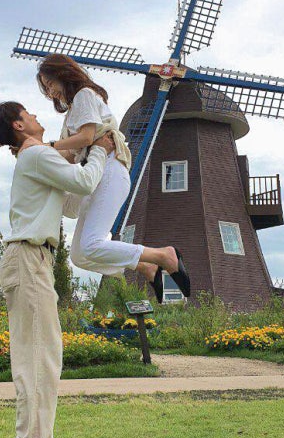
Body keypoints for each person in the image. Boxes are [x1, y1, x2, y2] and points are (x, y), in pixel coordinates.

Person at [0, 100, 115, 438]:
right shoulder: (36, 154)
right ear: (19, 125)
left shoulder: (36, 158)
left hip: (33, 259)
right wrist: (101, 153)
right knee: (40, 354)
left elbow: (72, 204)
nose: (39, 117)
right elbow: (86, 182)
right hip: (28, 258)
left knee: (39, 353)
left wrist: (79, 159)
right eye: (30, 113)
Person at [36, 53, 190, 302]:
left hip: (108, 170)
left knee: (91, 244)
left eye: (50, 83)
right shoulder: (72, 112)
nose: (49, 91)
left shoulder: (84, 94)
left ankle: (164, 255)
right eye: (45, 88)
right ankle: (145, 266)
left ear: (62, 75)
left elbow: (86, 137)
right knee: (79, 255)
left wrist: (49, 144)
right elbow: (69, 153)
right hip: (92, 176)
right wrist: (37, 152)